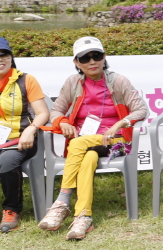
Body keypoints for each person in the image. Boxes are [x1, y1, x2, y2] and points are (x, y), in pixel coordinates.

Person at [37, 36, 147, 239]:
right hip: (86, 143)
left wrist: (119, 124)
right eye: (85, 58)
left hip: (116, 141)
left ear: (104, 57)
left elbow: (141, 110)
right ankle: (83, 216)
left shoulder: (118, 81)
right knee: (88, 158)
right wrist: (62, 122)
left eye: (96, 56)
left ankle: (62, 201)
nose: (92, 61)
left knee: (77, 143)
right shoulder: (73, 82)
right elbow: (56, 111)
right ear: (76, 62)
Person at [0, 38, 49, 233]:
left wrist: (31, 129)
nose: (0, 59)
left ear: (11, 57)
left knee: (6, 162)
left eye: (4, 54)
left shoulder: (26, 80)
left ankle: (12, 209)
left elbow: (43, 113)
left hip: (20, 140)